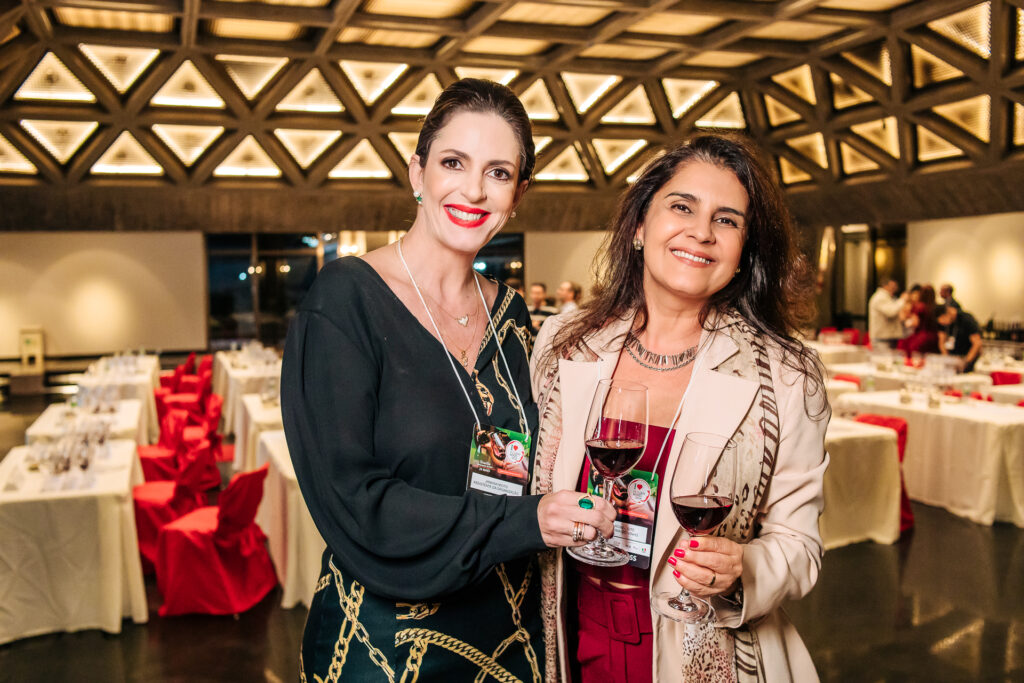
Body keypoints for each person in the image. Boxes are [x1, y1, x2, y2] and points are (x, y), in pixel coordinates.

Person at [280, 78, 615, 682]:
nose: (474, 190)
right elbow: (354, 502)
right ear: (418, 172)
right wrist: (527, 522)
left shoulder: (512, 314)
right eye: (453, 163)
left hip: (512, 637)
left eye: (498, 173)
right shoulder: (345, 301)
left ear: (518, 193)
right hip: (385, 646)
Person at [530, 133, 830, 682]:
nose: (702, 232)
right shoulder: (563, 343)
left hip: (705, 654)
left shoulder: (787, 376)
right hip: (572, 642)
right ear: (640, 227)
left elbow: (800, 546)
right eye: (682, 207)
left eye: (727, 220)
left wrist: (744, 568)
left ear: (744, 252)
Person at [937, 304, 982, 372]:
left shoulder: (966, 319)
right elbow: (941, 342)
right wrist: (947, 359)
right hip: (951, 359)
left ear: (948, 313)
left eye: (943, 319)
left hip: (966, 358)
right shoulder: (944, 324)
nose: (943, 323)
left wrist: (966, 362)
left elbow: (977, 343)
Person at [899, 284, 940, 356]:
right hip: (933, 336)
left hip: (921, 336)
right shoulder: (935, 307)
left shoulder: (919, 307)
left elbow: (915, 323)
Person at [868, 279, 906, 348]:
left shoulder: (887, 297)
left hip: (887, 338)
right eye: (892, 286)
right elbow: (891, 312)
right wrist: (902, 300)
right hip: (882, 339)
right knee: (883, 355)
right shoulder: (880, 297)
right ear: (885, 286)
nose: (895, 288)